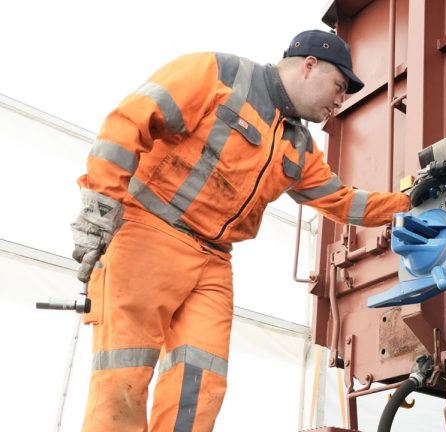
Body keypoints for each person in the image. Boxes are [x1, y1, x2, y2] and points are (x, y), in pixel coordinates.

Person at [70, 29, 410, 431]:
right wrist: (100, 207)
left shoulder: (298, 145)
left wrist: (411, 202)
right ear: (309, 65)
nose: (340, 100)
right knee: (123, 377)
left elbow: (343, 202)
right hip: (148, 232)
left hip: (214, 260)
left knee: (199, 384)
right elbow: (129, 122)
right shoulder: (217, 74)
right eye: (338, 87)